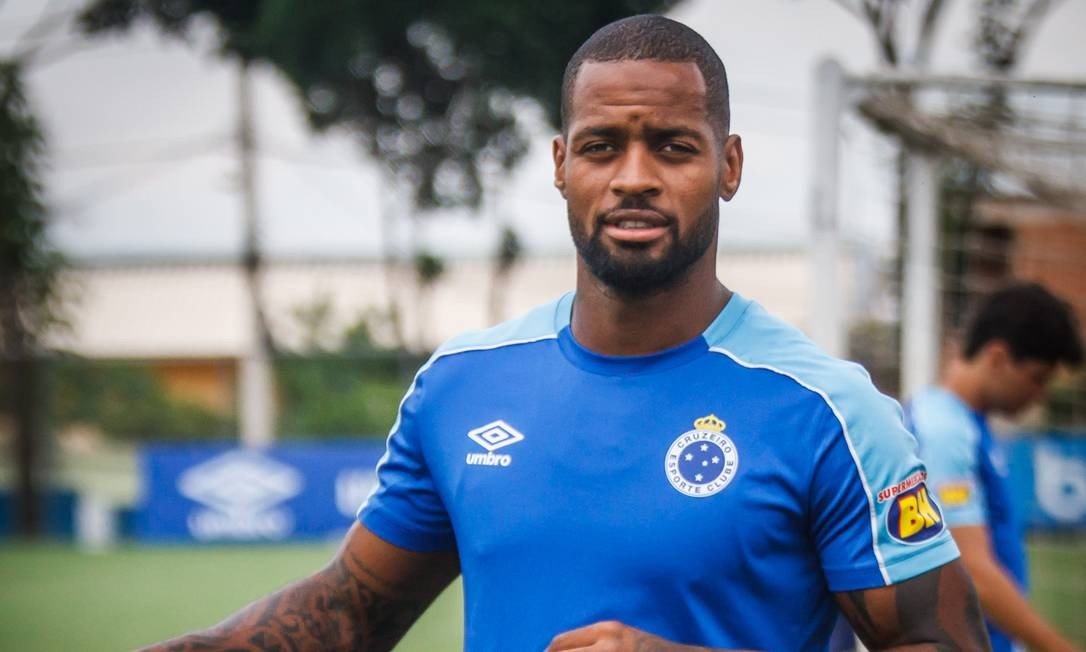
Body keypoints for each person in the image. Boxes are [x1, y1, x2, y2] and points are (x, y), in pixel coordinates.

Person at [144, 15, 990, 651]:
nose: (634, 178)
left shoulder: (832, 412)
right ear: (560, 166)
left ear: (727, 166)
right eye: (601, 147)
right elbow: (346, 614)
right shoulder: (461, 387)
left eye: (673, 147)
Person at [908, 283, 1083, 652]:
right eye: (1038, 378)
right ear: (998, 357)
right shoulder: (945, 431)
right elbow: (971, 570)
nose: (1041, 394)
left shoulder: (965, 423)